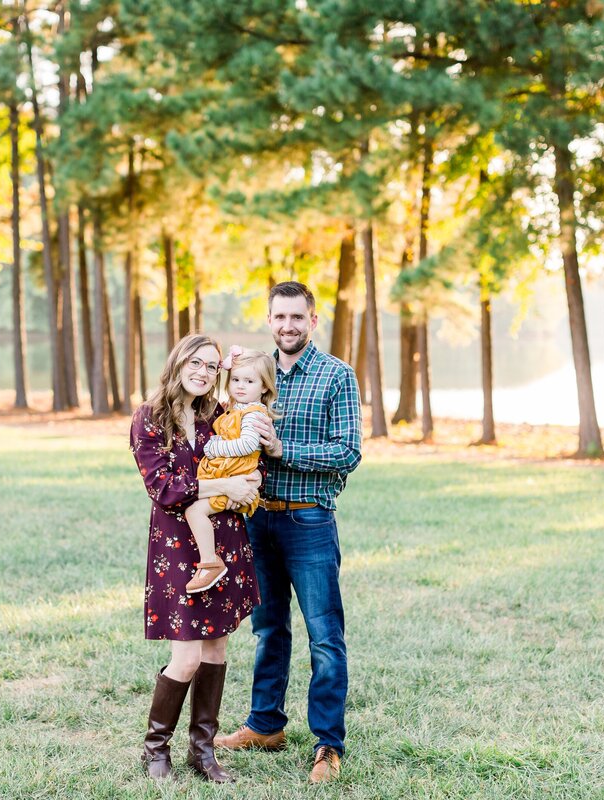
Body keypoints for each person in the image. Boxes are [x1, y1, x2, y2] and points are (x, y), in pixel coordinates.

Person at [214, 281, 362, 784]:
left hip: (310, 520)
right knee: (268, 628)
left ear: (312, 321)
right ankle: (265, 724)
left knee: (325, 635)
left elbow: (348, 452)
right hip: (256, 519)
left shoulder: (337, 376)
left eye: (298, 317)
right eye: (280, 317)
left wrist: (283, 451)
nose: (288, 326)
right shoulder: (253, 373)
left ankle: (328, 745)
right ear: (270, 319)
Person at [129, 333, 262, 783]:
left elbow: (245, 452)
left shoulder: (218, 416)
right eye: (197, 363)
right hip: (177, 548)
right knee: (184, 657)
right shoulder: (149, 419)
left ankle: (203, 752)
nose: (203, 373)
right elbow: (164, 487)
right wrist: (224, 487)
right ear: (179, 362)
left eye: (212, 366)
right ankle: (155, 749)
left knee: (216, 649)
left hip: (223, 541)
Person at [183, 347, 282, 594]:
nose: (240, 385)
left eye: (249, 381)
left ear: (264, 387)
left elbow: (249, 444)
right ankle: (210, 562)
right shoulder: (236, 409)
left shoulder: (253, 414)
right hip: (227, 476)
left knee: (195, 510)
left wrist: (215, 447)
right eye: (235, 379)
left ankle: (209, 563)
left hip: (235, 477)